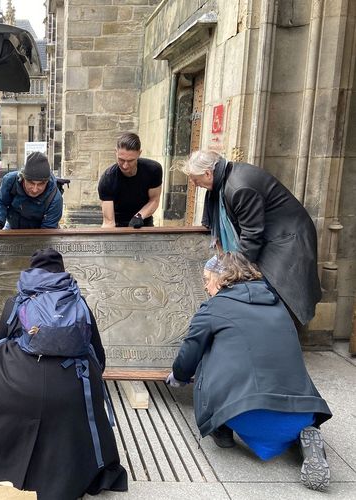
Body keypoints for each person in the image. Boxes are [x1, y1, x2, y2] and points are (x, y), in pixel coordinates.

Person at [0, 249, 128, 500]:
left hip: (22, 386)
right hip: (72, 383)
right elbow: (98, 354)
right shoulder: (78, 301)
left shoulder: (17, 300)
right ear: (62, 272)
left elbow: (2, 341)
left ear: (32, 271)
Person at [166, 253, 332, 491]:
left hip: (244, 412)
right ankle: (306, 436)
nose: (204, 285)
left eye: (206, 278)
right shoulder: (279, 304)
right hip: (303, 411)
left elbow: (189, 353)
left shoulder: (215, 306)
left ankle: (222, 429)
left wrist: (179, 376)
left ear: (222, 279)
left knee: (208, 351)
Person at [181, 149, 321, 325]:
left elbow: (251, 235)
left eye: (195, 179)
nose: (195, 184)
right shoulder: (225, 179)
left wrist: (234, 271)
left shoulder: (239, 188)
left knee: (279, 293)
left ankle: (282, 340)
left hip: (288, 239)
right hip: (272, 235)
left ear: (208, 173)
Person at [98, 132, 162, 228]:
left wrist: (139, 216)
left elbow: (154, 200)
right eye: (121, 160)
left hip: (143, 222)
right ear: (116, 152)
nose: (125, 165)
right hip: (117, 225)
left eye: (131, 160)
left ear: (139, 153)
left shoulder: (153, 170)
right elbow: (109, 222)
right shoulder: (108, 179)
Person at [0, 152, 63, 231]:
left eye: (40, 185)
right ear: (23, 178)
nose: (35, 190)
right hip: (13, 226)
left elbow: (48, 230)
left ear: (47, 182)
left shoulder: (55, 198)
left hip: (40, 231)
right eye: (31, 183)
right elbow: (1, 202)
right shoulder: (10, 181)